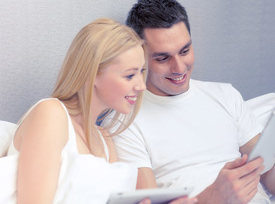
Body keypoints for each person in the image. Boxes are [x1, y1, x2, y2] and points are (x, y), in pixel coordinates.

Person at [106, 0, 275, 204]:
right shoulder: (125, 121)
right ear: (139, 56)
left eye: (185, 51)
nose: (179, 68)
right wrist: (214, 197)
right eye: (163, 58)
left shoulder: (225, 96)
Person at [1, 18, 196, 204]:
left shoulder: (104, 140)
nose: (141, 86)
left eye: (141, 72)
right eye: (129, 76)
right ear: (92, 74)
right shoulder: (51, 114)